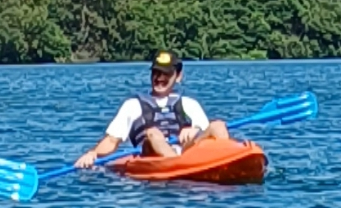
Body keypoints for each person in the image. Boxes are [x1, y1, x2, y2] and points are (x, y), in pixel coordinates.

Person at [75, 50, 231, 168]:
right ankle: (177, 164)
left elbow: (205, 135)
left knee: (218, 125)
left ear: (178, 76)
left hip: (187, 152)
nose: (160, 78)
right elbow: (111, 140)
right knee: (153, 133)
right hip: (153, 156)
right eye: (156, 72)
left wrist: (195, 129)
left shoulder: (189, 104)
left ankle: (228, 162)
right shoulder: (132, 105)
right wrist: (93, 153)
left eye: (166, 74)